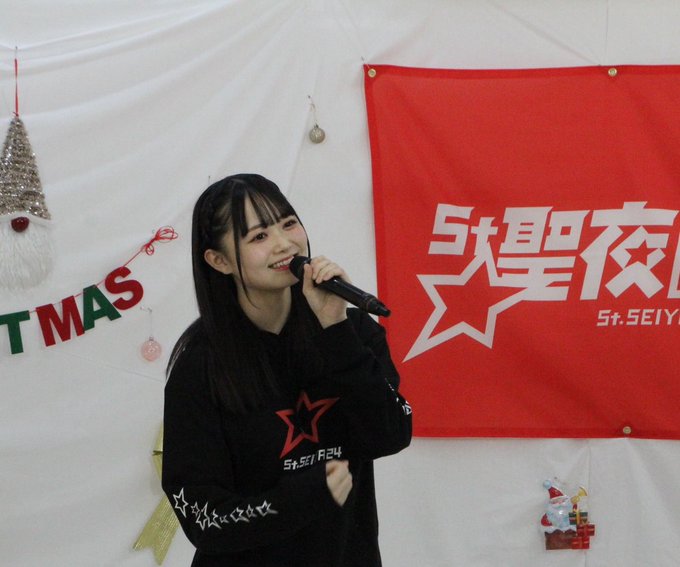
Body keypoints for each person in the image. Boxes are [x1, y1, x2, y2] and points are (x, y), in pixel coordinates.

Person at [162, 173, 412, 566]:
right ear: (219, 261)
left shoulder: (351, 332)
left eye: (288, 223)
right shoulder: (201, 363)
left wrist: (335, 329)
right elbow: (203, 519)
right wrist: (303, 497)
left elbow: (391, 434)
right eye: (259, 236)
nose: (284, 244)